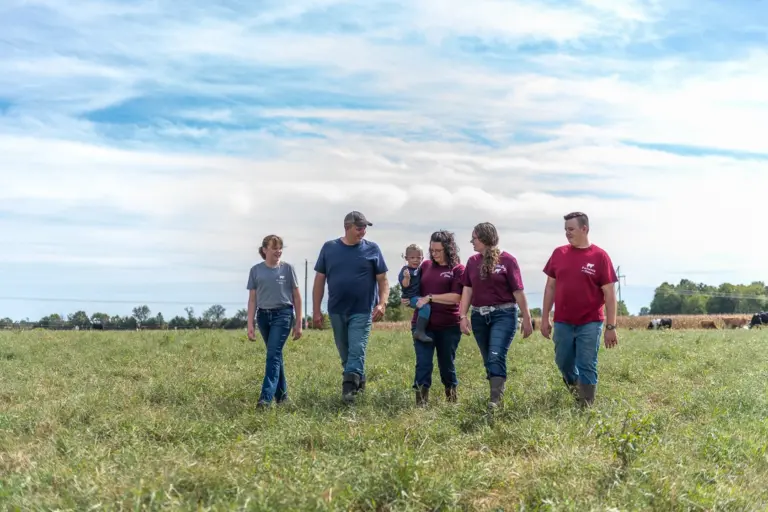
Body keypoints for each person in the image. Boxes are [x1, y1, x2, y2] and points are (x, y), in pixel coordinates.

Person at [540, 211, 618, 407]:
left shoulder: (600, 256)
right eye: (565, 229)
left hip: (590, 322)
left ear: (585, 229)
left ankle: (586, 406)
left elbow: (609, 293)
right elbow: (550, 287)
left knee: (587, 364)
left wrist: (611, 326)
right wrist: (544, 318)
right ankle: (576, 391)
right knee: (563, 362)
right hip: (563, 321)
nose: (567, 233)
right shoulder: (559, 253)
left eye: (571, 229)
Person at [312, 211, 389, 403]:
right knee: (345, 353)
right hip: (337, 310)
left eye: (365, 228)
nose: (363, 232)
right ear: (347, 227)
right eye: (359, 228)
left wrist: (382, 303)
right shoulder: (329, 248)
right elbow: (319, 281)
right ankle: (358, 382)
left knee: (357, 348)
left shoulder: (373, 249)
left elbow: (383, 280)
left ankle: (348, 394)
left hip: (362, 310)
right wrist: (315, 310)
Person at [459, 222, 533, 410]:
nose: (471, 242)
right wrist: (462, 316)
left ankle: (495, 402)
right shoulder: (472, 262)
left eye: (474, 238)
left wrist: (526, 318)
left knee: (495, 355)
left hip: (504, 314)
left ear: (484, 238)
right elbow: (467, 290)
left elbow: (518, 291)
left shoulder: (508, 260)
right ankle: (496, 393)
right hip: (479, 317)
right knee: (488, 360)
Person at [402, 231, 465, 405]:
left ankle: (451, 400)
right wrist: (408, 298)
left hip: (448, 326)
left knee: (446, 364)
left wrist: (430, 297)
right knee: (423, 363)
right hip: (423, 325)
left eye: (438, 250)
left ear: (448, 249)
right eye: (432, 250)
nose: (434, 254)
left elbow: (456, 297)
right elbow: (413, 289)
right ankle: (421, 403)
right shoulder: (426, 266)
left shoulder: (457, 269)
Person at [246, 234, 303, 408]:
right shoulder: (256, 271)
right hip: (263, 316)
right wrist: (250, 324)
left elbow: (297, 297)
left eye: (280, 248)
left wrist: (299, 323)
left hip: (283, 315)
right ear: (265, 250)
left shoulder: (288, 269)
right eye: (274, 248)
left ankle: (265, 398)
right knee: (275, 355)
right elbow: (252, 299)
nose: (278, 251)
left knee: (272, 355)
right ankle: (282, 398)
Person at [399, 243, 433, 343]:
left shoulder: (419, 269)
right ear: (406, 258)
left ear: (422, 258)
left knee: (425, 305)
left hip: (417, 295)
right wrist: (406, 278)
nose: (415, 260)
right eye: (412, 257)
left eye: (418, 258)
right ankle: (419, 331)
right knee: (425, 306)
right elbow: (404, 285)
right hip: (410, 297)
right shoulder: (405, 271)